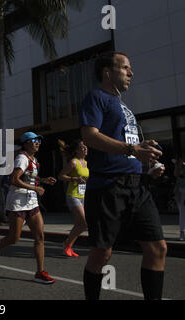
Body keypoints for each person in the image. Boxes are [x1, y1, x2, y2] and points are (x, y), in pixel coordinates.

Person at [79, 51, 167, 300]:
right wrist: (132, 148)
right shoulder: (96, 97)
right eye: (125, 68)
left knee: (157, 248)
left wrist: (146, 160)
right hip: (108, 187)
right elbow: (89, 135)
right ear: (108, 72)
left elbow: (130, 148)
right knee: (101, 254)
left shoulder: (124, 106)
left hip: (138, 188)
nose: (131, 73)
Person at [0, 132, 57, 284]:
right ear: (25, 143)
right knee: (14, 238)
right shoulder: (22, 158)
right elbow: (14, 179)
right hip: (17, 202)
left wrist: (43, 180)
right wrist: (35, 188)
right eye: (34, 140)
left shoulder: (34, 159)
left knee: (40, 237)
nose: (37, 143)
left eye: (39, 140)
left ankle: (39, 272)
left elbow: (30, 178)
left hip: (31, 202)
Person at [57, 139, 89, 257]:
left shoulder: (86, 163)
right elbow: (60, 176)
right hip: (73, 195)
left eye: (85, 146)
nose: (85, 148)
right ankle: (67, 244)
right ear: (76, 151)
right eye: (82, 147)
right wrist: (74, 179)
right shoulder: (73, 162)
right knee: (83, 223)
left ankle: (68, 245)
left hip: (83, 195)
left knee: (81, 224)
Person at [174, 152, 185, 241]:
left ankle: (183, 233)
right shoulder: (180, 162)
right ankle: (182, 233)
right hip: (180, 190)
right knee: (182, 211)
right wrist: (178, 165)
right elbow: (176, 174)